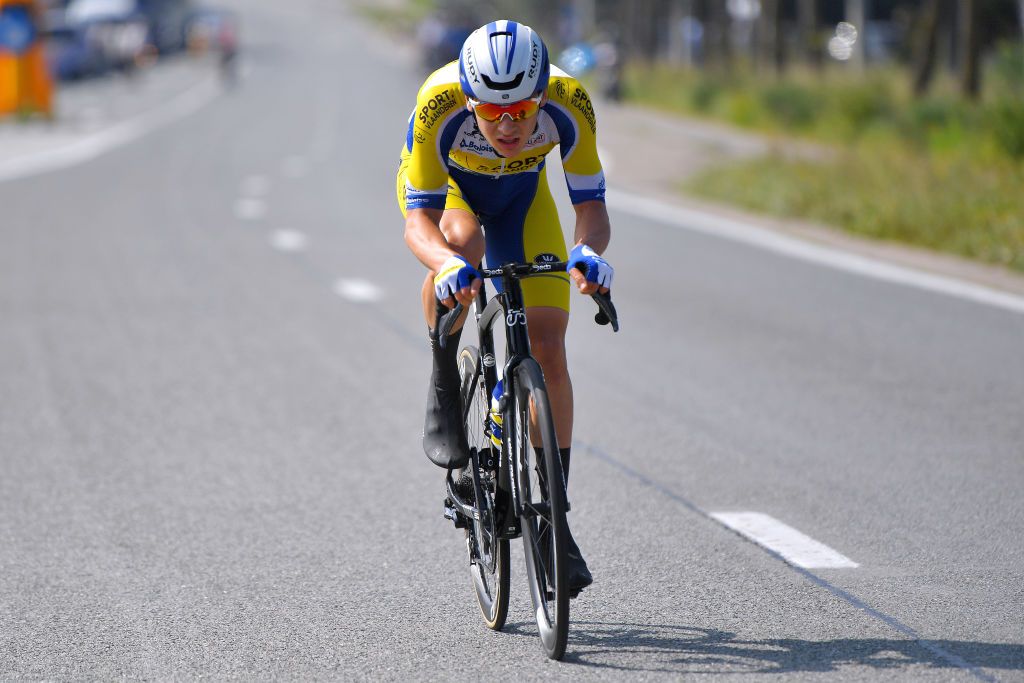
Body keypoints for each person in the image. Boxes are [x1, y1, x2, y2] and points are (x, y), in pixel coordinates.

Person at [397, 20, 613, 596]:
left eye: (522, 109)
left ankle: (554, 524)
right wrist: (444, 264)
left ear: (542, 93)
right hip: (457, 196)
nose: (510, 124)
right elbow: (417, 222)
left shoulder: (570, 101)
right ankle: (445, 377)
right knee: (460, 247)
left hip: (524, 199)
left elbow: (590, 205)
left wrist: (589, 254)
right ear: (470, 101)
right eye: (492, 113)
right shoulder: (438, 101)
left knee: (548, 345)